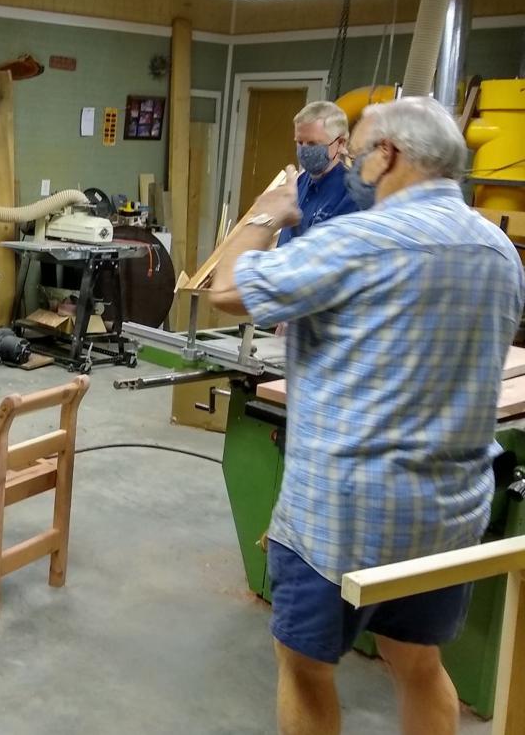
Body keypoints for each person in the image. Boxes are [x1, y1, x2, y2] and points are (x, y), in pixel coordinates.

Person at [208, 97, 525, 735]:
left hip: (342, 517)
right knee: (418, 661)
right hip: (447, 510)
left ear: (389, 156)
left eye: (359, 150)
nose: (350, 163)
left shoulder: (358, 240)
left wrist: (269, 213)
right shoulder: (500, 249)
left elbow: (223, 291)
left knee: (303, 667)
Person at [277, 100, 358, 247]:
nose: (304, 150)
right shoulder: (299, 183)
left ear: (340, 143)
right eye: (299, 142)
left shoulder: (351, 195)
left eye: (313, 144)